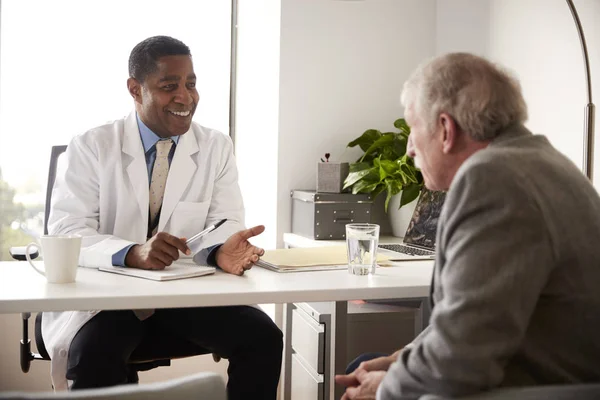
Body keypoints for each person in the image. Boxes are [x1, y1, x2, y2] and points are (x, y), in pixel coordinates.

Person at [336, 52, 600, 399]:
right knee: (369, 362)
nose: (410, 149)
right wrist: (398, 361)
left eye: (413, 129)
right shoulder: (542, 161)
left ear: (445, 129)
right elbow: (474, 318)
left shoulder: (493, 179)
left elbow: (462, 357)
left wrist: (388, 386)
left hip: (534, 387)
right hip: (539, 369)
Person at [43, 36, 282, 399]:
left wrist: (220, 250)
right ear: (135, 90)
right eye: (169, 86)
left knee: (263, 337)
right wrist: (132, 252)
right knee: (95, 355)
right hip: (107, 303)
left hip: (182, 295)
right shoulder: (92, 146)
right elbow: (67, 229)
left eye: (191, 84)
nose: (185, 97)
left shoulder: (216, 147)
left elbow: (226, 221)